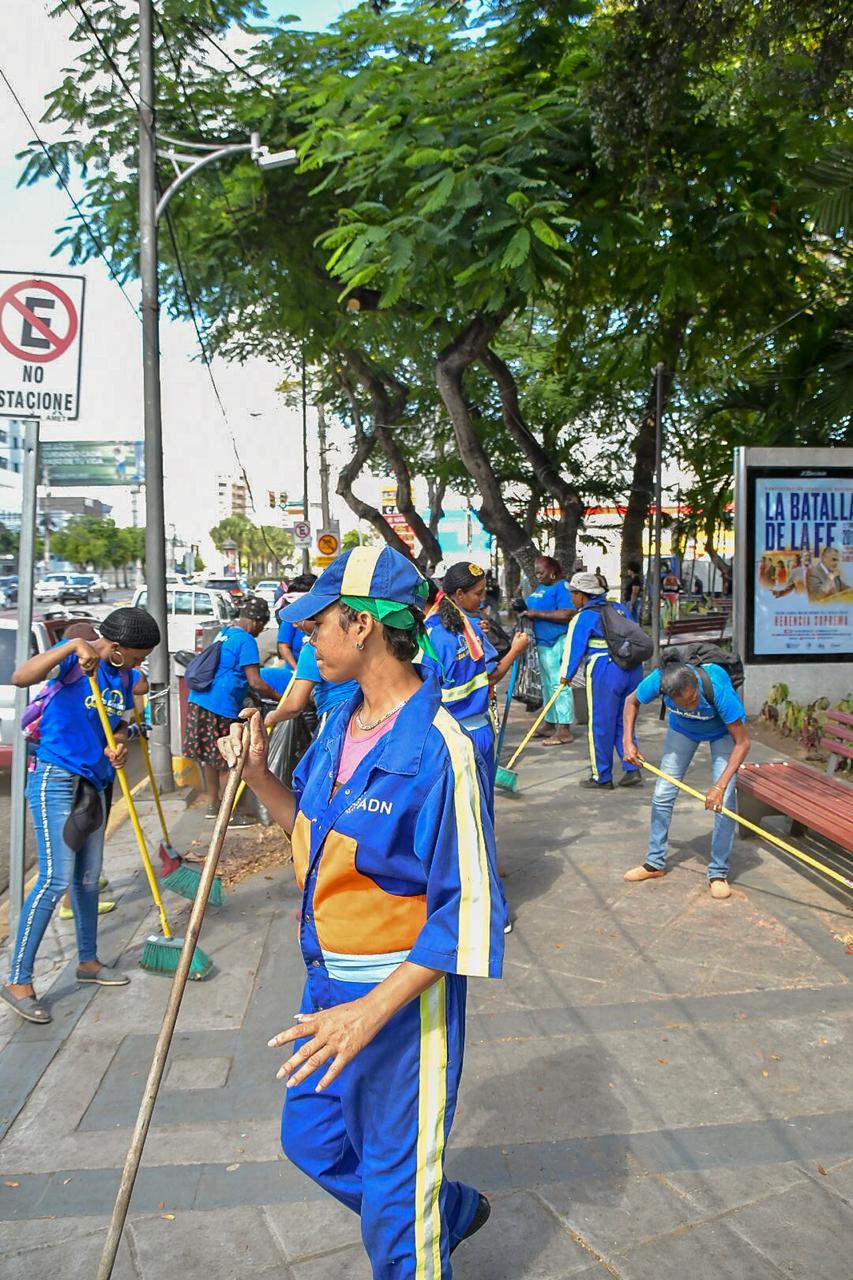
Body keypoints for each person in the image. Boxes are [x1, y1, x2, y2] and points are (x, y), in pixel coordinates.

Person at [217, 544, 505, 1278]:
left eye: (317, 626)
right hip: (326, 985)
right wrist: (256, 774)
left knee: (395, 1207)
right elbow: (305, 828)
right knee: (311, 1140)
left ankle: (415, 1219)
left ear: (364, 625)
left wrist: (370, 1010)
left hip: (400, 1001)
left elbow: (468, 910)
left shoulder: (443, 746)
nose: (305, 640)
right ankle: (438, 1209)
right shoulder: (340, 719)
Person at [2, 608, 160, 1024]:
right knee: (55, 878)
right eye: (138, 656)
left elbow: (118, 724)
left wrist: (120, 744)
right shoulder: (76, 656)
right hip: (56, 775)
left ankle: (88, 962)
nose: (140, 665)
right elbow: (21, 677)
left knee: (87, 879)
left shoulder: (123, 677)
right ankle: (18, 979)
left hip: (96, 781)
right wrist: (72, 644)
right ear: (118, 648)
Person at [622, 660, 750, 898]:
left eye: (694, 700)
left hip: (722, 733)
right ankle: (655, 863)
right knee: (662, 794)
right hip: (682, 731)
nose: (692, 706)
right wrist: (628, 742)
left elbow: (743, 743)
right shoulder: (659, 681)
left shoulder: (717, 690)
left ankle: (718, 872)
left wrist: (719, 786)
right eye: (685, 703)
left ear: (696, 687)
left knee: (725, 803)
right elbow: (631, 701)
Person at [419, 561, 528, 812]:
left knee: (456, 816)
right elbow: (492, 676)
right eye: (478, 594)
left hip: (446, 737)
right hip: (475, 734)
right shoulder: (469, 631)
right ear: (459, 595)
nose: (482, 599)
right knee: (481, 811)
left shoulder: (430, 635)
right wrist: (515, 650)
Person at [184, 596, 281, 822]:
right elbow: (256, 681)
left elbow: (228, 671)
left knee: (211, 758)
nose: (259, 631)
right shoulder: (246, 640)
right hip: (220, 705)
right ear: (256, 621)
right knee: (231, 758)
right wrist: (277, 698)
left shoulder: (226, 632)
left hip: (200, 700)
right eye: (261, 626)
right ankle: (230, 813)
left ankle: (213, 805)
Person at [559, 572, 642, 789]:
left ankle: (602, 776)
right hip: (632, 669)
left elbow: (573, 651)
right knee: (625, 720)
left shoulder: (583, 616)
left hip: (604, 670)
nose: (571, 598)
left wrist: (565, 678)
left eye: (573, 593)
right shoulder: (620, 608)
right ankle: (632, 768)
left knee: (601, 723)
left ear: (582, 595)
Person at [522, 554, 575, 745]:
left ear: (553, 572)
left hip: (556, 641)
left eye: (541, 572)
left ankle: (564, 728)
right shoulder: (542, 588)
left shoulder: (562, 587)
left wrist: (537, 614)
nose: (537, 576)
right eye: (536, 572)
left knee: (558, 684)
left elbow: (568, 612)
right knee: (546, 684)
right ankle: (550, 721)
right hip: (542, 643)